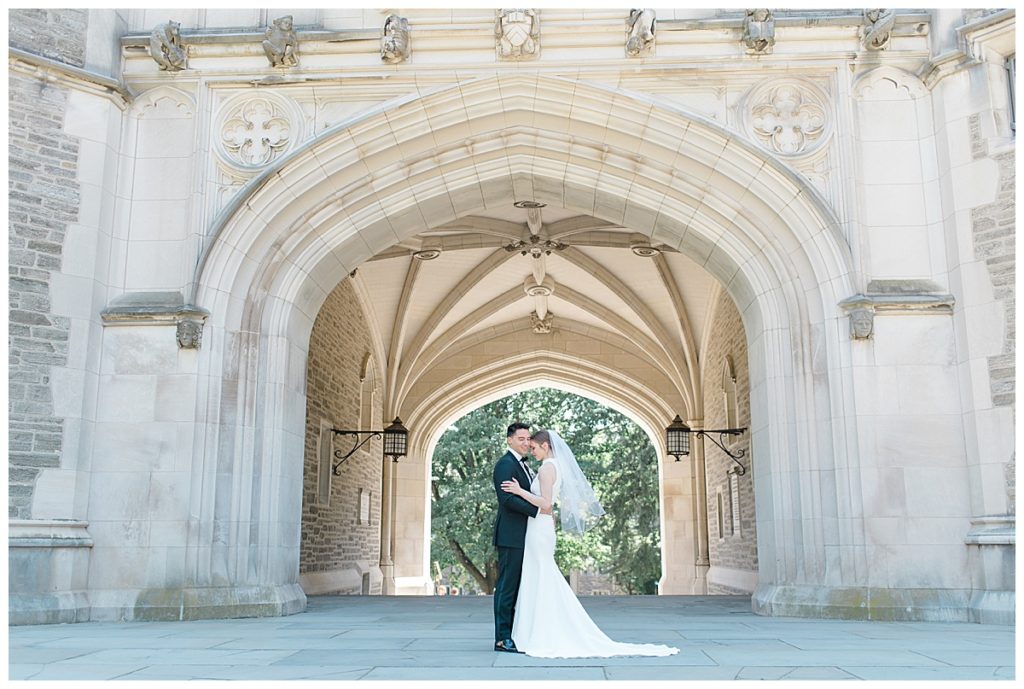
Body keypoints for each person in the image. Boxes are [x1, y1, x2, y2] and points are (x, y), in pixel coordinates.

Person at [500, 429, 679, 658]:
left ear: (546, 446)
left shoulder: (547, 468)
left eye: (534, 447)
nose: (531, 450)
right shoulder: (556, 467)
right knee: (540, 575)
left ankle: (540, 632)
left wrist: (519, 491)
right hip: (541, 528)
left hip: (539, 528)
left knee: (541, 575)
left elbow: (545, 504)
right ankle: (538, 629)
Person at [491, 422, 549, 653]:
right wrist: (537, 512)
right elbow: (507, 499)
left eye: (528, 439)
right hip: (511, 535)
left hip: (528, 535)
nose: (526, 443)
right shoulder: (505, 465)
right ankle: (502, 638)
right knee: (506, 587)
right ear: (509, 440)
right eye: (521, 439)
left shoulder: (525, 465)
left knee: (520, 587)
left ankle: (516, 633)